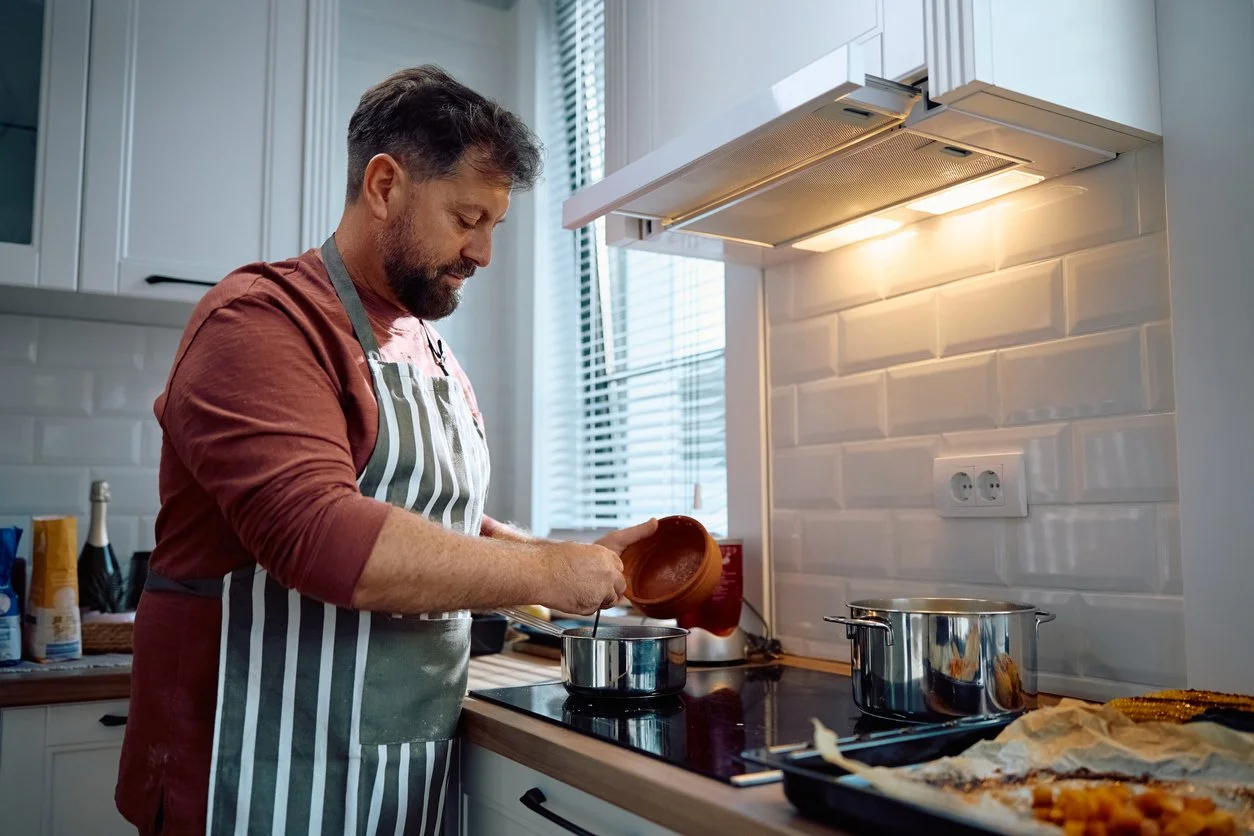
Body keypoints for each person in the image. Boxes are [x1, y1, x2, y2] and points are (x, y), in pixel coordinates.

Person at [116, 65, 655, 836]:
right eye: (468, 217)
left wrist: (571, 558)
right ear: (384, 186)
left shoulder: (431, 353)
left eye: (495, 225)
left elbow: (442, 527)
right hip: (250, 770)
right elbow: (319, 537)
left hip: (397, 768)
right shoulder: (259, 321)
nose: (484, 253)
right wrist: (548, 572)